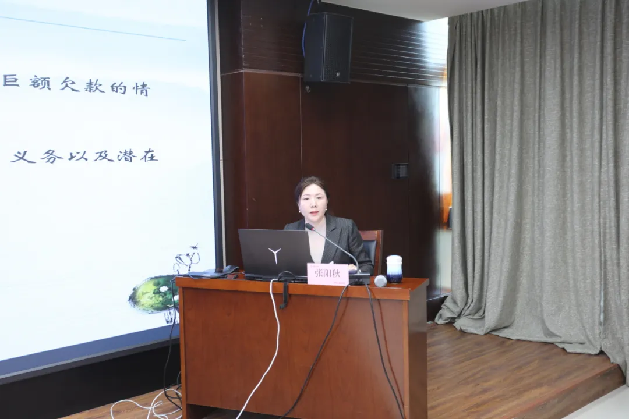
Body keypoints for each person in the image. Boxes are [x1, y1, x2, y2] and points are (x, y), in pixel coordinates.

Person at [284, 176, 374, 275]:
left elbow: (366, 266)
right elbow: (283, 269)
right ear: (298, 205)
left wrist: (353, 271)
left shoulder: (346, 227)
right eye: (306, 198)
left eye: (319, 197)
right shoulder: (290, 230)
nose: (313, 204)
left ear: (327, 201)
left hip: (338, 285)